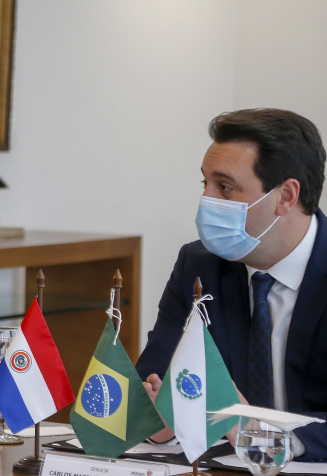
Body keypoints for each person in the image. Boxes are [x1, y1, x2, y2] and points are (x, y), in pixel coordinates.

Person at [136, 108, 327, 460]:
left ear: (286, 196)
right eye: (205, 184)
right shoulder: (199, 265)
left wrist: (264, 434)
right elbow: (154, 379)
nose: (207, 200)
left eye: (225, 187)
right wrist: (158, 422)